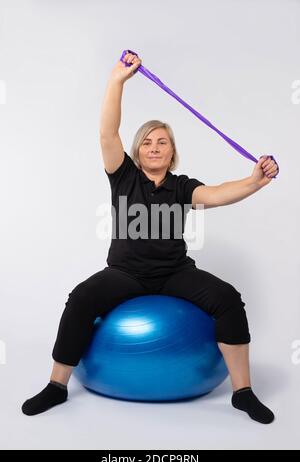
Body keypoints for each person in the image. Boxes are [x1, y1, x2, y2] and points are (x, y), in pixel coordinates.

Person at [22, 52, 278, 423]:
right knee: (80, 298)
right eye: (147, 142)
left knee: (228, 299)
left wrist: (255, 181)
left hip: (174, 272)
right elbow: (108, 133)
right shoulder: (123, 176)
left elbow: (219, 193)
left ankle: (243, 392)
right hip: (125, 272)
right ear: (137, 151)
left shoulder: (181, 186)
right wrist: (117, 81)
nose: (155, 147)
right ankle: (56, 386)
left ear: (172, 152)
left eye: (162, 142)